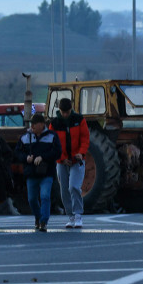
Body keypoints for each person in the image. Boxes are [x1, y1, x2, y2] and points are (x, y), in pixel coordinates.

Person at [15, 113, 61, 232]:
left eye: (35, 124)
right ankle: (38, 216)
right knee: (31, 199)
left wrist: (43, 157)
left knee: (45, 196)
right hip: (31, 173)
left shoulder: (52, 136)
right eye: (32, 124)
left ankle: (43, 221)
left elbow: (57, 152)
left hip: (47, 173)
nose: (32, 126)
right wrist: (26, 158)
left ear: (42, 124)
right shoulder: (25, 138)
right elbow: (17, 153)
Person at [51, 98, 89, 229]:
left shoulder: (79, 120)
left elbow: (85, 138)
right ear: (60, 110)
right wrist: (61, 158)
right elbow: (53, 143)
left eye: (67, 112)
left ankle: (78, 215)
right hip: (62, 162)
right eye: (63, 112)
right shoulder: (54, 123)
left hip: (77, 160)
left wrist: (81, 153)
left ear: (71, 109)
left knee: (74, 186)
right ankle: (70, 216)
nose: (65, 114)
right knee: (64, 190)